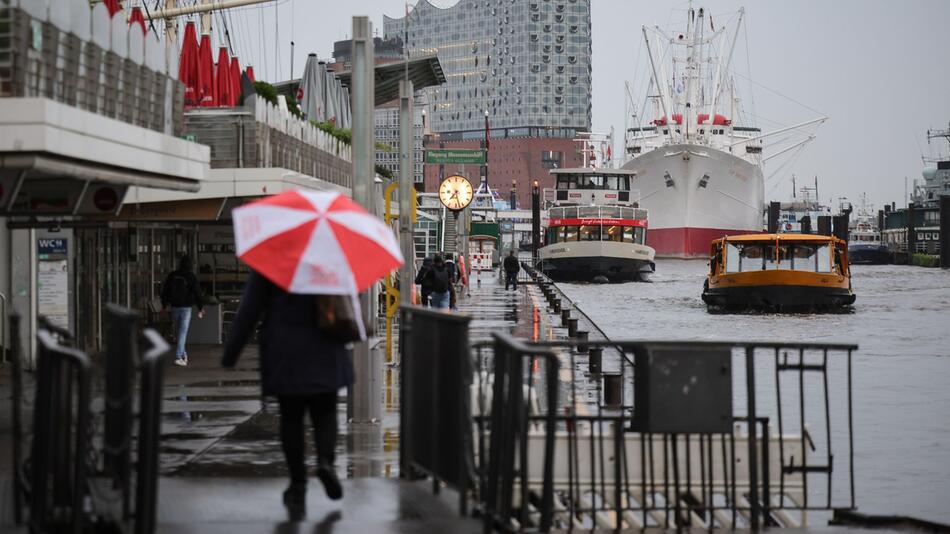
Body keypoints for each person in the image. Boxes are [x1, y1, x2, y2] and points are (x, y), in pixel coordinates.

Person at [222, 270, 352, 517]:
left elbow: (250, 308)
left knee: (291, 418)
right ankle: (325, 461)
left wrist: (231, 353)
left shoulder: (272, 262)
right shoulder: (327, 259)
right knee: (325, 412)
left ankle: (298, 484)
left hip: (285, 349)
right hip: (326, 346)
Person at [160, 255, 204, 366]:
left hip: (174, 307)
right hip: (186, 308)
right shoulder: (191, 277)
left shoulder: (173, 275)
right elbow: (197, 293)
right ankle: (179, 357)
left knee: (178, 332)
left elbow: (165, 291)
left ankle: (184, 355)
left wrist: (164, 305)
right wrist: (200, 307)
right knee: (182, 332)